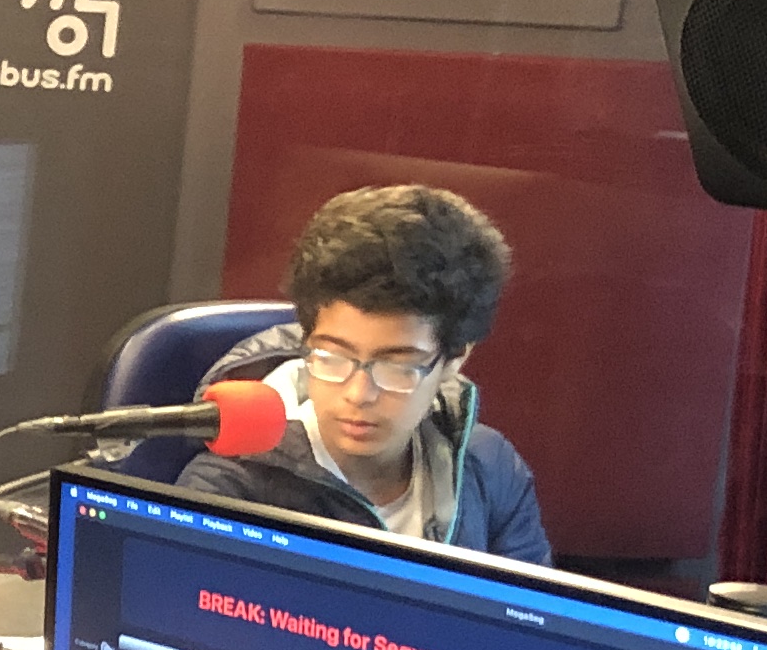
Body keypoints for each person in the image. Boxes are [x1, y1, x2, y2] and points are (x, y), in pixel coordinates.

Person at [179, 185, 553, 562]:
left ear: (454, 359)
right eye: (333, 356)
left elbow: (526, 600)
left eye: (397, 366)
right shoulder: (231, 485)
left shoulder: (490, 468)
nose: (359, 394)